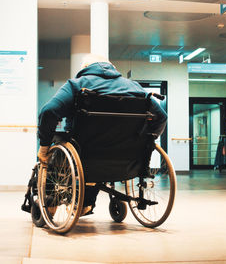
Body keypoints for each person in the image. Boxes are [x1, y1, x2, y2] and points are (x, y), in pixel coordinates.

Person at [37, 54, 167, 215]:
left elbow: (48, 112)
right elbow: (161, 117)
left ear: (85, 69)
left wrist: (44, 146)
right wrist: (146, 140)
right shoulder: (136, 88)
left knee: (57, 150)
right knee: (96, 159)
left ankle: (51, 202)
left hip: (85, 154)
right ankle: (86, 203)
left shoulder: (77, 85)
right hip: (127, 159)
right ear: (112, 67)